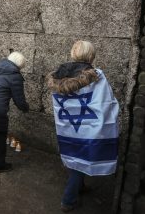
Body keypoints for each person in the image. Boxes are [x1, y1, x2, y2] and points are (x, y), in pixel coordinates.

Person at [47, 41, 119, 212]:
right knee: (83, 158)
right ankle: (68, 200)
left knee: (76, 157)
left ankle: (80, 187)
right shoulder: (96, 75)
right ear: (91, 55)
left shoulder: (58, 75)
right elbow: (105, 102)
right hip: (88, 127)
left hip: (68, 127)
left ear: (73, 54)